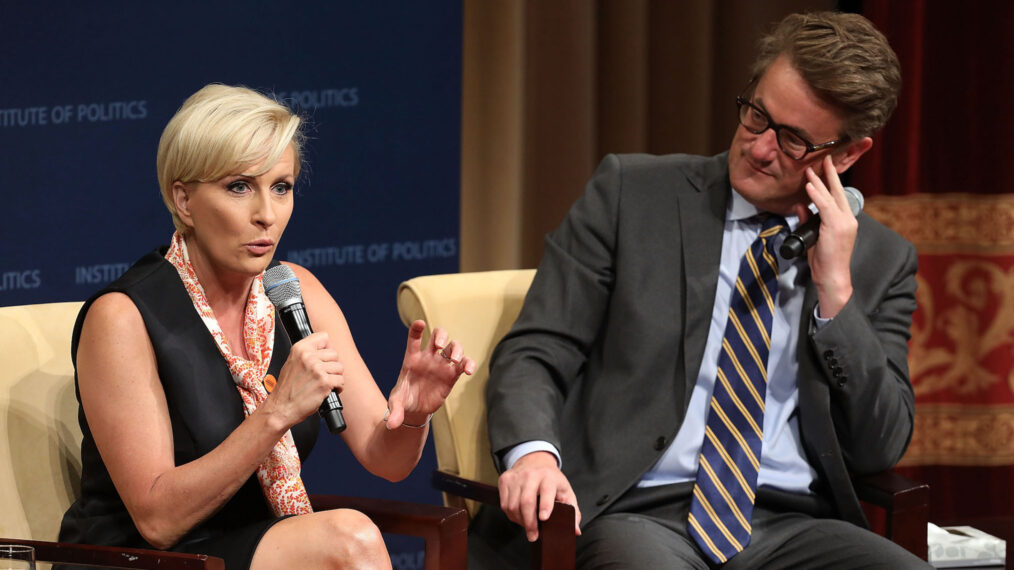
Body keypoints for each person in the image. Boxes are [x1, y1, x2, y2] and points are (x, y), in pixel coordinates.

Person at [476, 11, 930, 568]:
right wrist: (534, 457)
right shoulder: (632, 196)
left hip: (790, 527)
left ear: (848, 155)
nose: (761, 148)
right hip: (634, 513)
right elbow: (536, 350)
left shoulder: (881, 260)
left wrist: (835, 295)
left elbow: (879, 444)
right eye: (757, 115)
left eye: (792, 141)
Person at [58, 84, 476, 570]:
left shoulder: (295, 293)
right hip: (140, 559)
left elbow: (385, 459)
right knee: (350, 538)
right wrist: (275, 413)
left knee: (347, 538)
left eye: (281, 187)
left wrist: (414, 414)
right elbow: (158, 520)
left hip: (250, 546)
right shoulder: (124, 317)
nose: (267, 215)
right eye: (239, 187)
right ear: (184, 200)